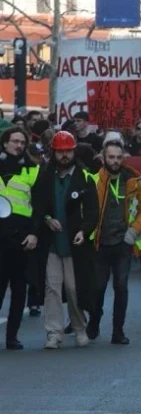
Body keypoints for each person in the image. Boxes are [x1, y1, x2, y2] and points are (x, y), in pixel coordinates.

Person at [33, 131, 98, 349]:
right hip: (52, 242)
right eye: (60, 151)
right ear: (54, 152)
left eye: (68, 151)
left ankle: (80, 328)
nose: (64, 155)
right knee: (52, 288)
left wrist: (84, 231)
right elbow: (38, 206)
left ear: (74, 151)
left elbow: (92, 212)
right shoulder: (45, 176)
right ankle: (54, 333)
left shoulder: (85, 177)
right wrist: (47, 219)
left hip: (75, 244)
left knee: (72, 288)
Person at [89, 140, 141, 345]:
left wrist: (134, 231)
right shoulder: (95, 180)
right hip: (100, 243)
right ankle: (95, 320)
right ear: (103, 158)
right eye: (111, 157)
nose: (115, 161)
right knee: (98, 287)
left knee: (121, 286)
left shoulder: (133, 181)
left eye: (118, 157)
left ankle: (118, 331)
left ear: (123, 157)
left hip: (123, 243)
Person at [0, 127, 44, 350]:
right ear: (5, 143)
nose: (18, 145)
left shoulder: (33, 170)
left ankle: (12, 337)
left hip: (21, 238)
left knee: (18, 290)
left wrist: (34, 233)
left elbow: (39, 207)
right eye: (14, 141)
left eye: (21, 142)